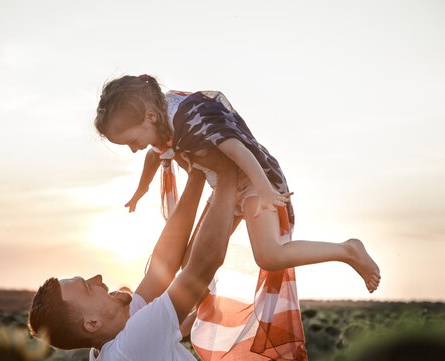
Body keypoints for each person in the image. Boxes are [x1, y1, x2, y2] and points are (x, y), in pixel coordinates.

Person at [94, 74, 381, 294]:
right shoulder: (158, 123)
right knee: (193, 261)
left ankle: (347, 250)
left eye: (132, 141)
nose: (134, 149)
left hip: (254, 178)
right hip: (224, 188)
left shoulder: (190, 116)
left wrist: (265, 190)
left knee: (269, 255)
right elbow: (155, 157)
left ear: (150, 116)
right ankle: (190, 318)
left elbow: (237, 149)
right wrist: (140, 191)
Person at [28, 151, 239, 361]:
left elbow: (162, 267)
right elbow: (202, 266)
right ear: (92, 323)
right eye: (88, 287)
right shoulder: (132, 347)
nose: (99, 279)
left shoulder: (109, 348)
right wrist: (227, 175)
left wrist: (197, 174)